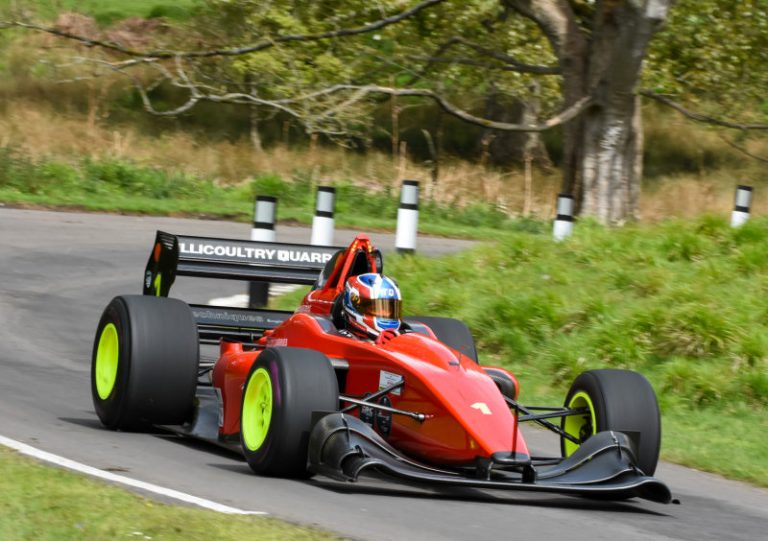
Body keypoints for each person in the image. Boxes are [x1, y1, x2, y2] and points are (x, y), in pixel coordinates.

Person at [341, 273, 402, 342]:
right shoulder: (341, 341)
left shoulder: (402, 335)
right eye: (377, 309)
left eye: (390, 310)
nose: (386, 314)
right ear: (355, 304)